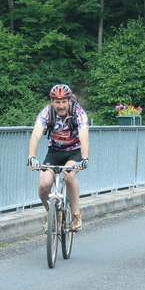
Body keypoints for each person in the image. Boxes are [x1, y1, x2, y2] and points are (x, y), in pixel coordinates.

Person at [27, 84, 90, 231]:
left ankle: (76, 214)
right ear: (52, 102)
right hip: (54, 151)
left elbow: (84, 137)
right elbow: (36, 135)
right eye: (57, 102)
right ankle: (51, 214)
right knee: (43, 185)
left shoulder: (78, 113)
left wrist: (85, 159)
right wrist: (31, 157)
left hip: (74, 151)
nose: (61, 105)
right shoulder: (47, 113)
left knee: (69, 175)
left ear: (69, 101)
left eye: (64, 102)